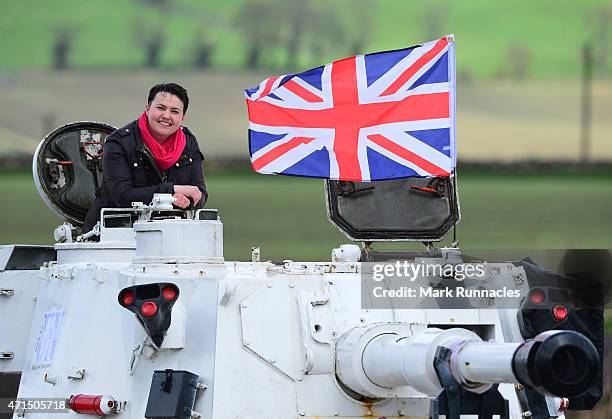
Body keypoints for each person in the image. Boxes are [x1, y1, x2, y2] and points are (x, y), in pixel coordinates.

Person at [84, 83, 207, 232]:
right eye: (160, 108)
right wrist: (172, 191)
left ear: (182, 117)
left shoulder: (188, 141)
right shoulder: (118, 142)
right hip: (114, 233)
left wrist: (187, 202)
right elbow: (123, 195)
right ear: (148, 109)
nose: (166, 116)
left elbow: (199, 192)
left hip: (168, 233)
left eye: (174, 111)